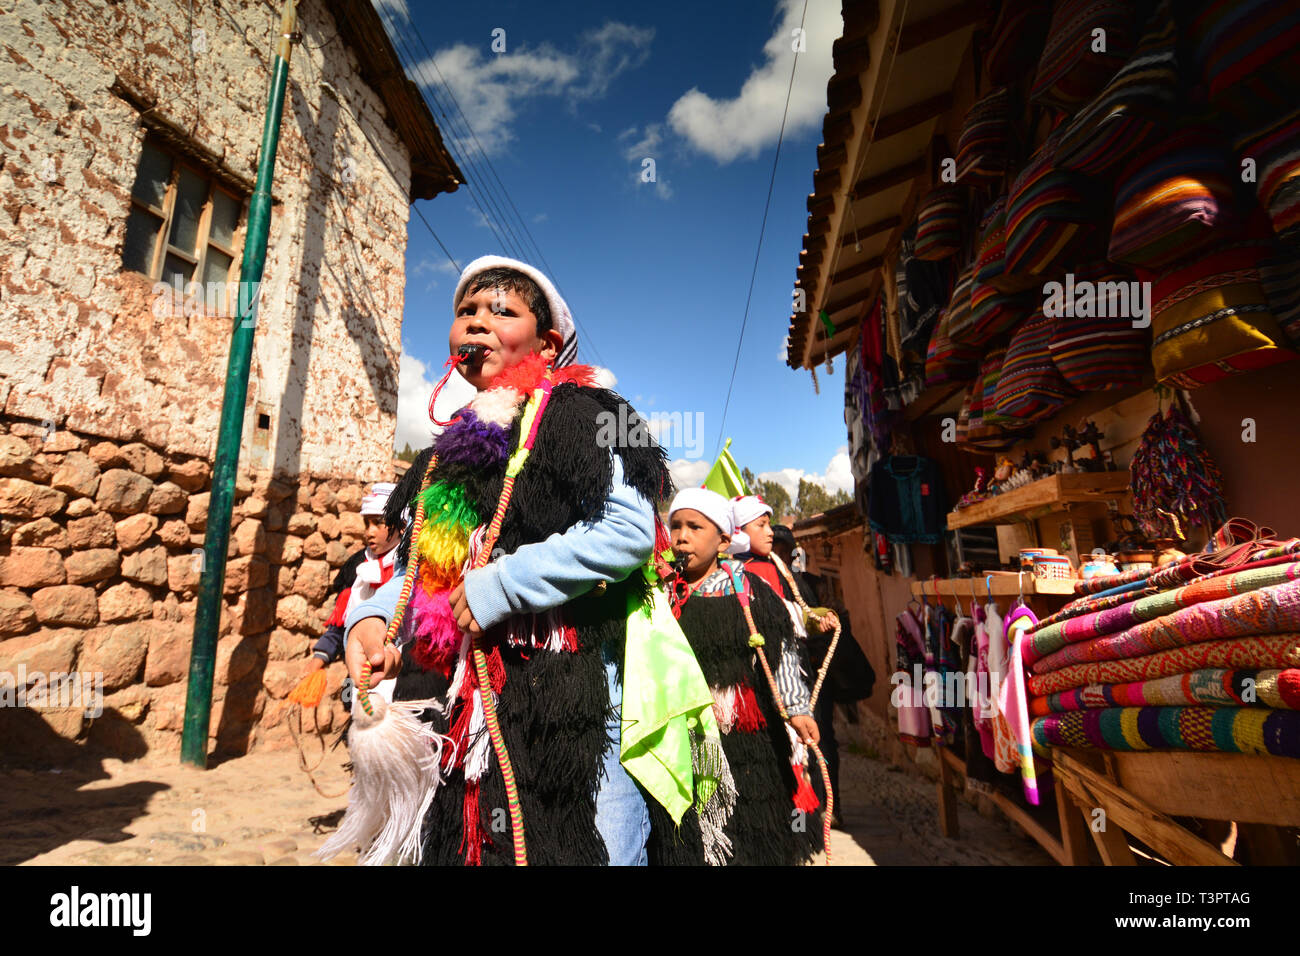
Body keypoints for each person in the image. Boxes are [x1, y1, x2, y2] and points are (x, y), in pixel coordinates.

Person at [335, 255, 673, 866]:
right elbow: (423, 570)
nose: (478, 322)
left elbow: (627, 531)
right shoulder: (449, 452)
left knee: (593, 844)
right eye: (465, 312)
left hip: (572, 695)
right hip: (458, 708)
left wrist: (505, 583)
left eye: (501, 311)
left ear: (547, 342)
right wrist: (375, 621)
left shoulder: (589, 415)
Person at [646, 487, 821, 866]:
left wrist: (797, 708)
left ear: (724, 539)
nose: (682, 536)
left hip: (747, 741)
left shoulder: (748, 589)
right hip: (684, 740)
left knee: (752, 833)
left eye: (695, 526)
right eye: (675, 525)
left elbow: (784, 652)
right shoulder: (660, 593)